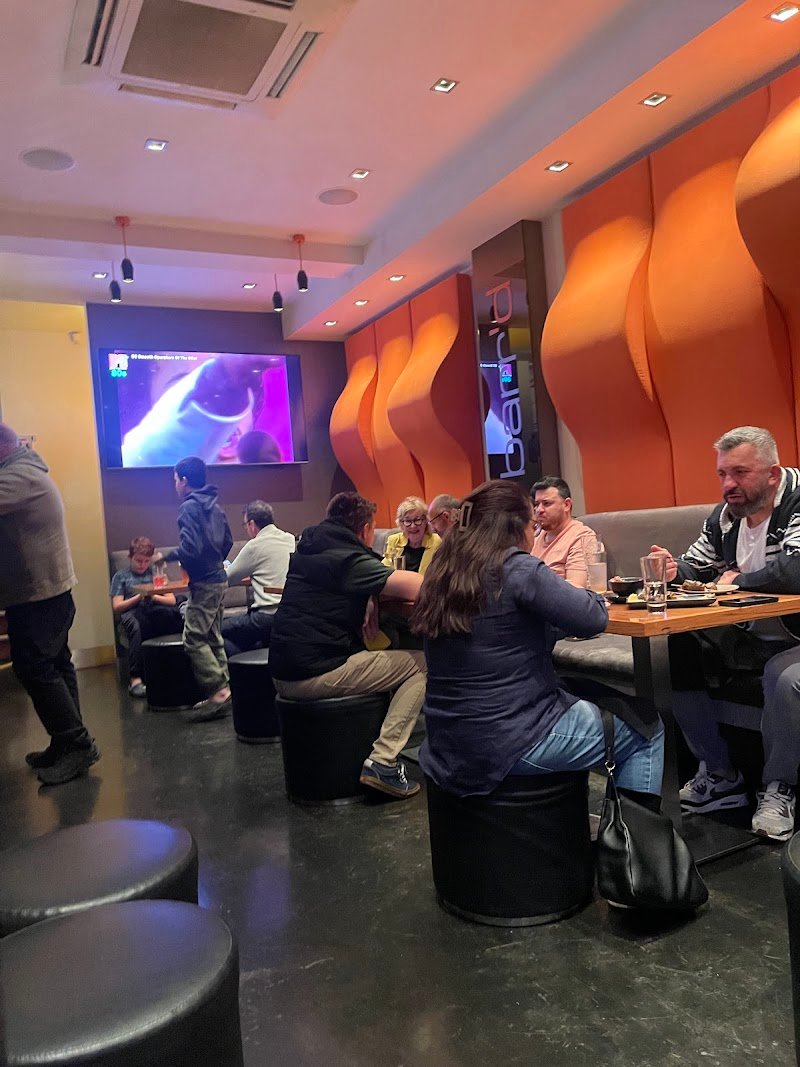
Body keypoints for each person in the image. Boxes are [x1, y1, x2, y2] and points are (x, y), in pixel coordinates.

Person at [412, 480, 664, 813]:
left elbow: (505, 629)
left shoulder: (443, 572)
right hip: (507, 741)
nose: (536, 531)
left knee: (591, 695)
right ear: (517, 527)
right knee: (647, 730)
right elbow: (591, 617)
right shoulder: (516, 566)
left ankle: (571, 827)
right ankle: (630, 842)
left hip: (447, 739)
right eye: (532, 523)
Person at [650, 426, 800, 841]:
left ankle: (780, 787)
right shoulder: (726, 515)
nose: (728, 484)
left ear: (772, 473)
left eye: (740, 473)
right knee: (675, 650)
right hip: (748, 636)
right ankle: (720, 775)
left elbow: (796, 570)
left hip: (796, 638)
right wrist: (674, 570)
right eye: (722, 474)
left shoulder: (797, 500)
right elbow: (698, 565)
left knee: (783, 675)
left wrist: (736, 580)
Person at [269, 492, 426, 799]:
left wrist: (370, 594)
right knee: (422, 663)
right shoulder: (349, 560)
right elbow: (419, 587)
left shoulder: (310, 550)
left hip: (285, 669)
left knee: (388, 650)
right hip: (314, 673)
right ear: (366, 529)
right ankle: (383, 761)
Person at [0, 423, 100, 785]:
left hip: (39, 597)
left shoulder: (20, 476)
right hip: (46, 594)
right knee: (56, 664)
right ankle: (67, 740)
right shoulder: (27, 471)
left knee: (35, 668)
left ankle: (76, 743)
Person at [161, 456, 234, 722]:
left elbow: (190, 548)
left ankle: (218, 690)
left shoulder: (189, 508)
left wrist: (165, 556)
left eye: (175, 480)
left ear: (184, 480)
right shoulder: (216, 506)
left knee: (193, 638)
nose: (175, 486)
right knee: (212, 636)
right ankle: (224, 691)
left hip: (204, 582)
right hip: (219, 578)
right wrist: (214, 562)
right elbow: (227, 542)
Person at [111, 536, 183, 697]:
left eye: (146, 561)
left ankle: (177, 667)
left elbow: (171, 600)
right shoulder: (121, 577)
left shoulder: (156, 574)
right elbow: (117, 606)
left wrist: (152, 596)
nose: (142, 565)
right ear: (130, 557)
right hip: (131, 610)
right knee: (136, 626)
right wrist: (139, 597)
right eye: (138, 561)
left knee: (173, 615)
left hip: (153, 607)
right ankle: (135, 679)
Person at [221, 500, 294, 657]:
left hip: (265, 617)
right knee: (248, 638)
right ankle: (254, 659)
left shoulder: (254, 546)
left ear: (252, 524)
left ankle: (240, 664)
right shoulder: (290, 539)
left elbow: (226, 579)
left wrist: (224, 567)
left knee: (212, 630)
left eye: (245, 525)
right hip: (290, 616)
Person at [529, 476, 598, 588]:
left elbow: (576, 588)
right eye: (536, 504)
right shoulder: (534, 537)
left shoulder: (581, 536)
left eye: (546, 503)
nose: (539, 510)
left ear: (566, 505)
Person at [382, 497, 441, 573]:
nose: (413, 526)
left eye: (417, 520)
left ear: (426, 522)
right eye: (408, 521)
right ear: (401, 523)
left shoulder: (437, 541)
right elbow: (385, 570)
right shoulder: (394, 540)